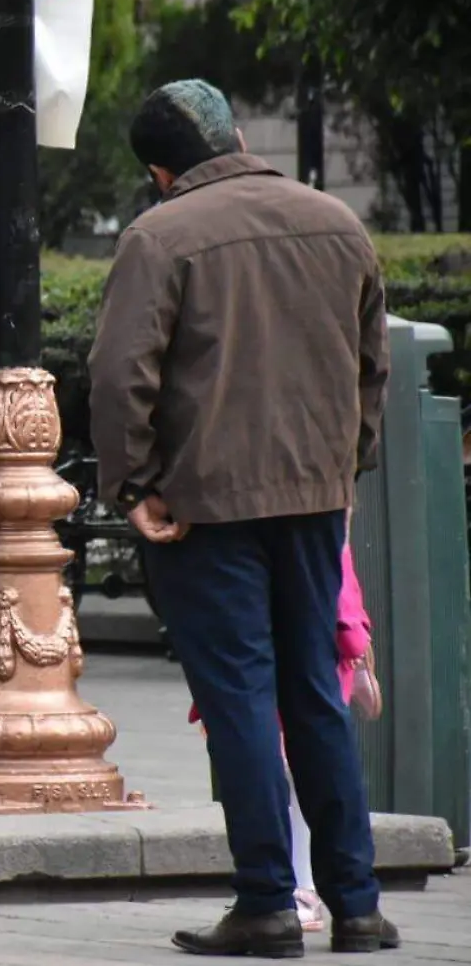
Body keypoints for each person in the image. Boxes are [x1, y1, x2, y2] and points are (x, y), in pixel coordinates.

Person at [89, 79, 394, 957]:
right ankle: (358, 905)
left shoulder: (159, 237)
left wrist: (136, 486)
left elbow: (120, 378)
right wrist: (345, 465)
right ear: (233, 135)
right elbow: (370, 367)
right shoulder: (336, 222)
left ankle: (267, 900)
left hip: (206, 510)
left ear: (159, 170)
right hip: (313, 498)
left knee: (242, 704)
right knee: (316, 697)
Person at [185, 533, 380, 935]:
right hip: (310, 506)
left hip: (225, 520)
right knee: (313, 730)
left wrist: (134, 490)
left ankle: (276, 897)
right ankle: (353, 904)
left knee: (251, 725)